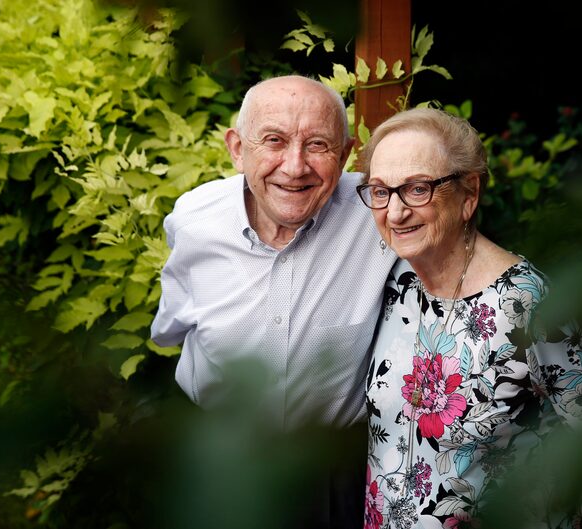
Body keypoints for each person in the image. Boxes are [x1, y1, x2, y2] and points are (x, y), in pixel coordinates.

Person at [356, 108, 582, 528]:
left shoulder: (524, 302)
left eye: (417, 189)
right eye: (380, 191)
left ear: (469, 195)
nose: (394, 212)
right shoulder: (396, 281)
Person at [150, 75, 397, 527]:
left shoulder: (380, 213)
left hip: (331, 471)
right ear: (237, 149)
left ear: (344, 156)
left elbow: (450, 220)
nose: (295, 166)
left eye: (318, 145)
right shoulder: (194, 219)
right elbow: (171, 331)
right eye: (274, 141)